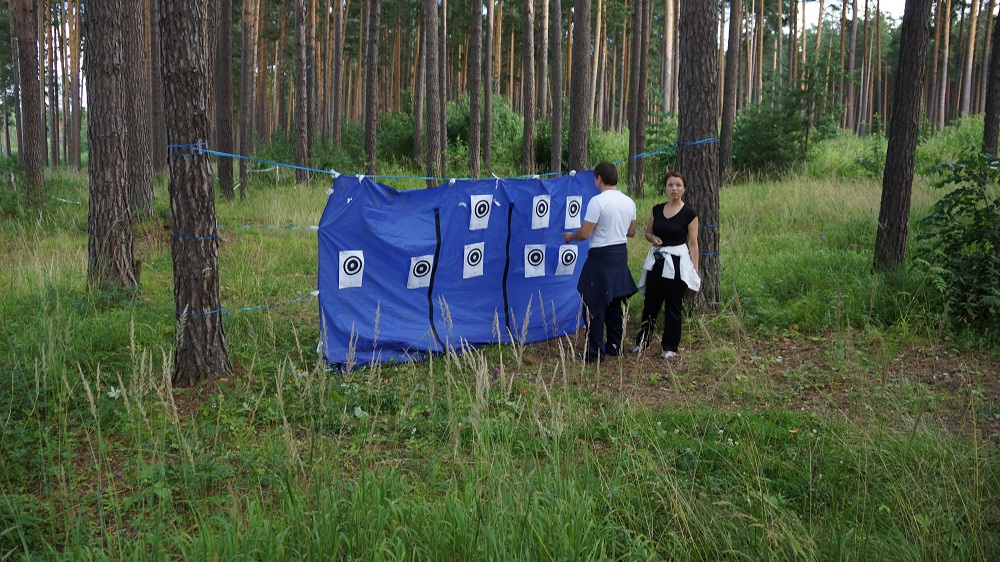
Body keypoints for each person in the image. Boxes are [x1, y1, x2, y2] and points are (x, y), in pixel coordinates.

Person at [563, 162, 638, 362]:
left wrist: (570, 237)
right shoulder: (629, 202)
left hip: (601, 256)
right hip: (620, 255)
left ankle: (595, 353)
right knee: (614, 301)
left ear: (599, 179)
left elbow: (584, 233)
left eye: (595, 179)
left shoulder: (598, 201)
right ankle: (614, 345)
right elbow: (631, 232)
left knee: (593, 303)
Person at [630, 170, 700, 359]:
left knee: (673, 306)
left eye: (678, 185)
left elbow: (693, 244)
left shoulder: (689, 214)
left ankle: (670, 346)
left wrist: (694, 269)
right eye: (670, 185)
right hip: (657, 261)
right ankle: (642, 342)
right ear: (666, 188)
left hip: (676, 265)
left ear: (684, 188)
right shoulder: (657, 209)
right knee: (650, 304)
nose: (674, 189)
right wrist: (653, 239)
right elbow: (648, 233)